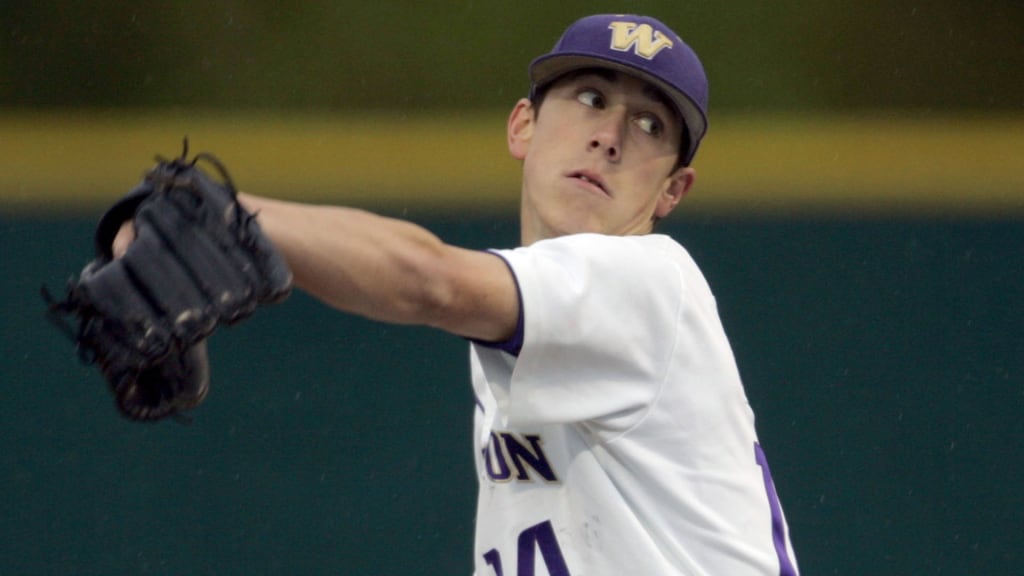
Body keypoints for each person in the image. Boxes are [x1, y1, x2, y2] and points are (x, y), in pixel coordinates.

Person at [116, 13, 799, 576]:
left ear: (672, 191)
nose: (610, 137)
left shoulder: (648, 285)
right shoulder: (538, 319)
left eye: (650, 125)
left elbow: (429, 280)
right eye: (591, 98)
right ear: (522, 127)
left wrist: (212, 212)